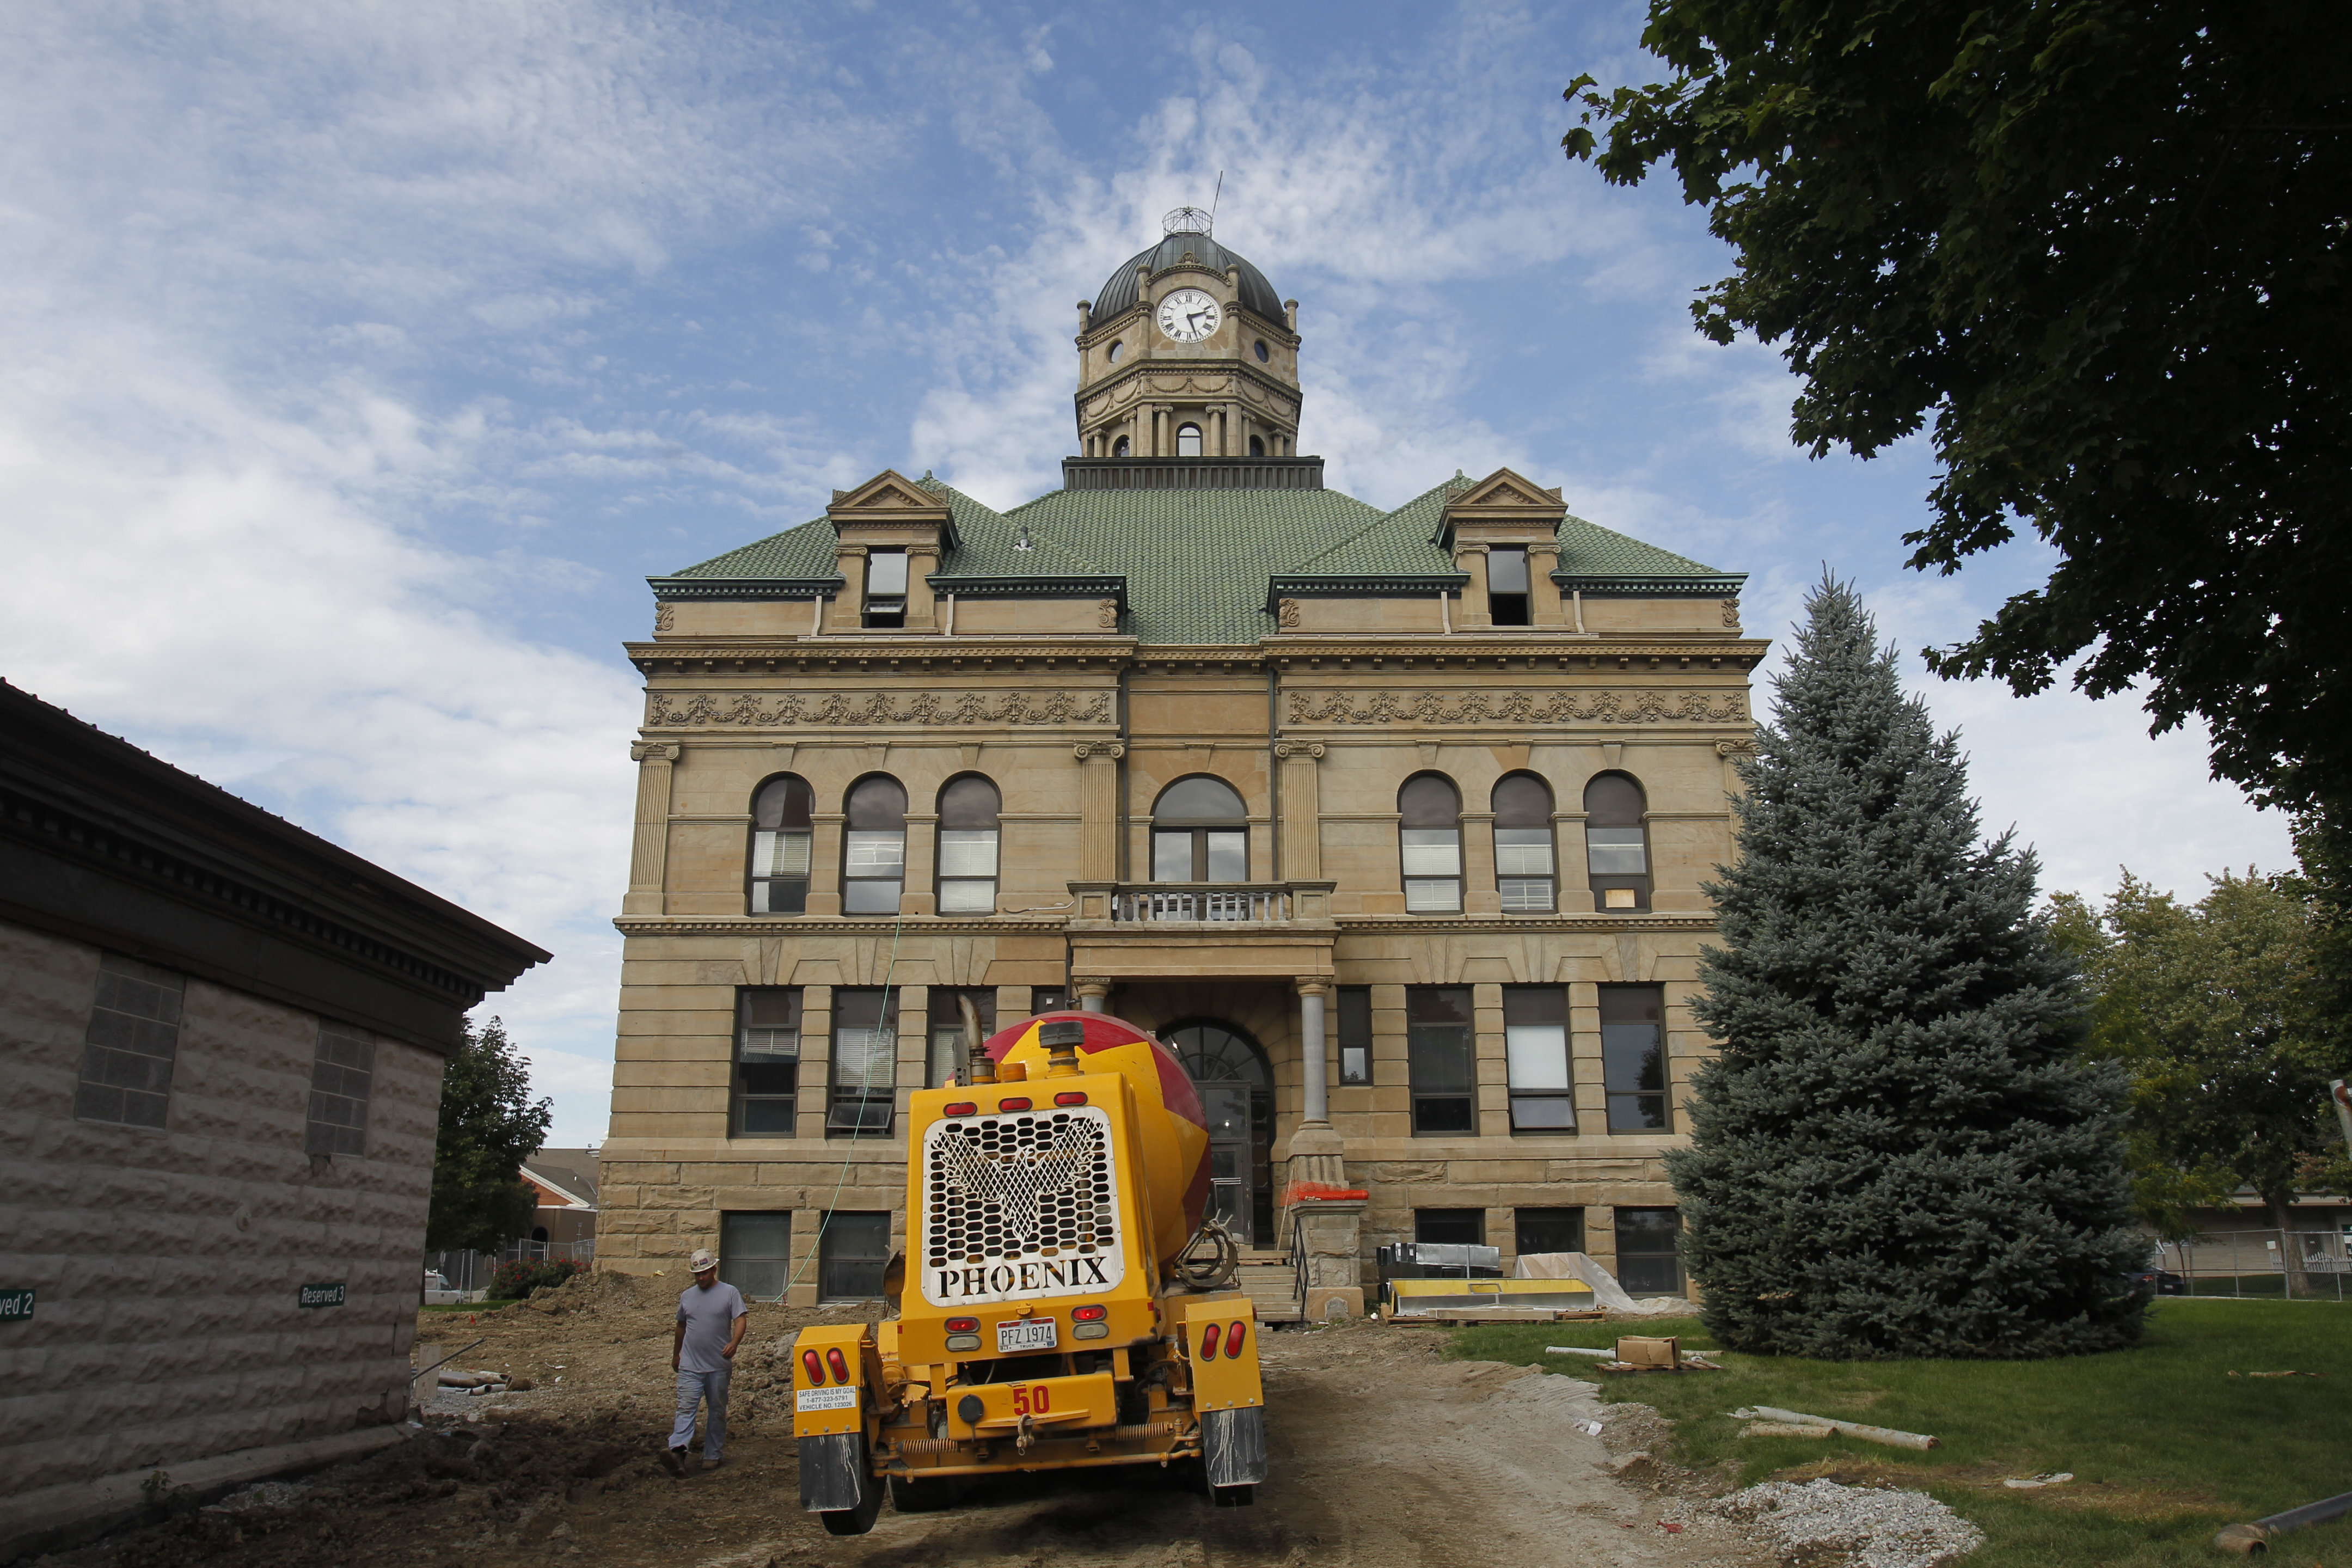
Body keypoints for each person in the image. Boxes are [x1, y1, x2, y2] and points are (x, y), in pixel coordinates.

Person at [663, 1248, 748, 1474]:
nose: (701, 1278)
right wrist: (676, 1354)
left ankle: (713, 1454)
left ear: (714, 1270)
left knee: (717, 1410)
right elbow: (681, 1326)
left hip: (718, 1366)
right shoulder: (687, 1297)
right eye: (697, 1275)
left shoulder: (729, 1293)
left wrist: (734, 1343)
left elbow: (740, 1320)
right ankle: (677, 1451)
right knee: (685, 1408)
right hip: (690, 1365)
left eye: (705, 1273)